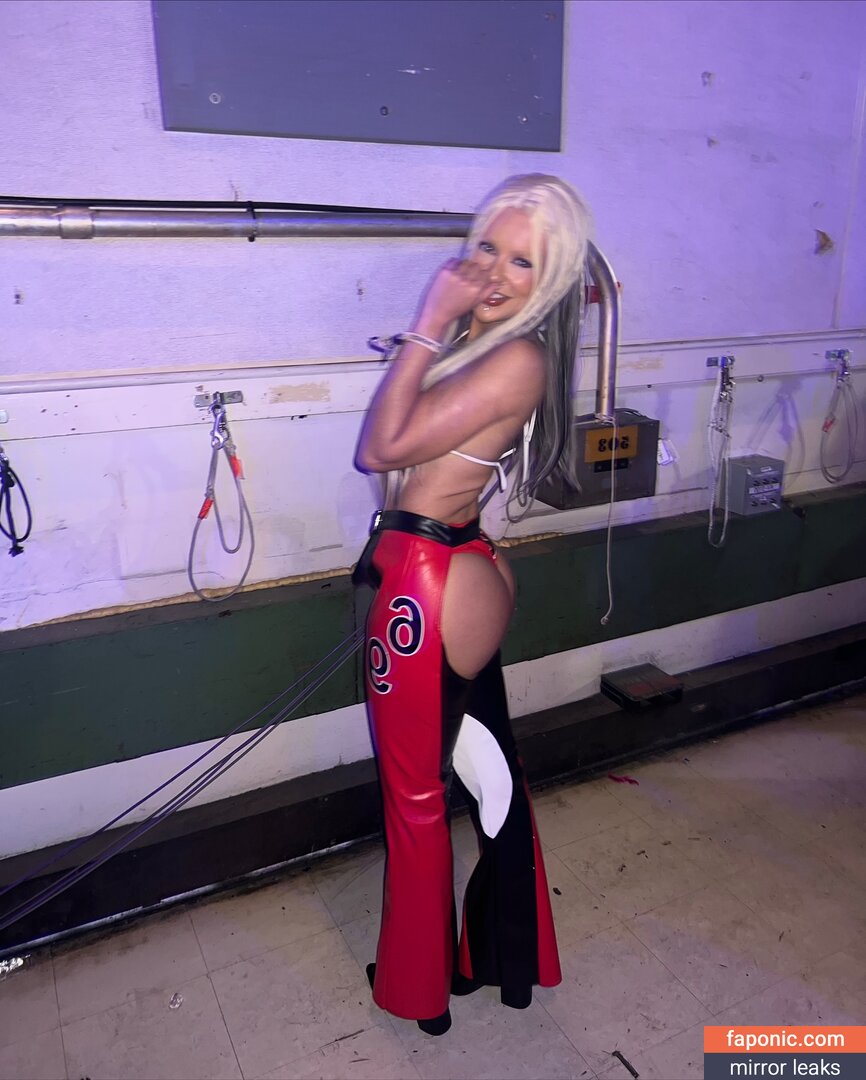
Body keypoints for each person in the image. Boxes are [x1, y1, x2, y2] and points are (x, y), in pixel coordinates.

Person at [353, 174, 592, 1035]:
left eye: (521, 261)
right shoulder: (493, 345)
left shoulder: (515, 356)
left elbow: (379, 448)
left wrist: (429, 319)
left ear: (551, 280)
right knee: (491, 776)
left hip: (428, 583)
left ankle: (419, 993)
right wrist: (442, 334)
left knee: (416, 802)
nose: (492, 272)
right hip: (457, 563)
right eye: (487, 247)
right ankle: (506, 962)